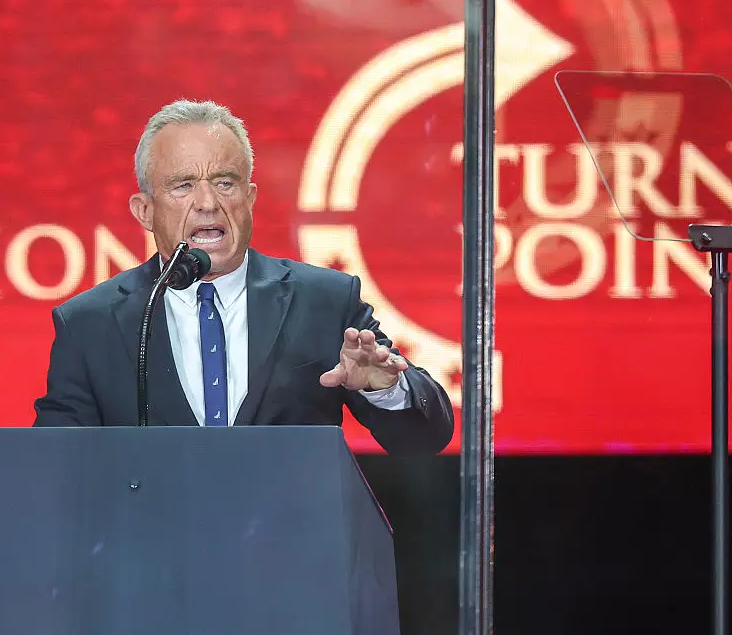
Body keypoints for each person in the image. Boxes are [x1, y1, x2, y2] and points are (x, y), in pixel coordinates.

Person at [32, 99, 454, 455]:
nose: (207, 203)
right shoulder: (91, 323)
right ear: (145, 211)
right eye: (182, 185)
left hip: (287, 549)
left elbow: (426, 437)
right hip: (151, 550)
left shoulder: (324, 301)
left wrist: (384, 389)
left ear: (249, 199)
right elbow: (54, 469)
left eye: (225, 182)